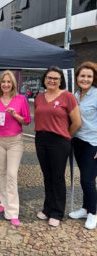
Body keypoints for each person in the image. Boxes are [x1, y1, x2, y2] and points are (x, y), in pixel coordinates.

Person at [34, 66, 81, 227]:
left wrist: (66, 135)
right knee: (47, 176)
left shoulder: (67, 97)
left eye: (56, 78)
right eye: (49, 78)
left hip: (59, 141)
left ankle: (57, 212)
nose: (52, 81)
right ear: (44, 80)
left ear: (61, 81)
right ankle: (47, 208)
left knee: (58, 177)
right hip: (41, 139)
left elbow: (76, 122)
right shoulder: (40, 97)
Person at [0, 70, 31, 227]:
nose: (6, 84)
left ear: (13, 84)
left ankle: (12, 212)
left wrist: (15, 115)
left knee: (11, 175)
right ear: (0, 84)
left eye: (9, 82)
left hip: (15, 142)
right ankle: (3, 201)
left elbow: (26, 121)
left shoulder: (21, 99)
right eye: (3, 82)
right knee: (2, 172)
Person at [69, 62, 97, 230]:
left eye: (89, 76)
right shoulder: (76, 95)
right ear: (77, 78)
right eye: (82, 76)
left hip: (93, 143)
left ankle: (93, 213)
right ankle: (86, 209)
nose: (85, 79)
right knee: (86, 178)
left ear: (93, 79)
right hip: (78, 141)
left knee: (87, 179)